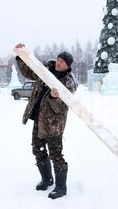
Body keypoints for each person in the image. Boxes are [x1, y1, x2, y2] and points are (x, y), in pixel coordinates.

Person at [15, 43, 78, 199]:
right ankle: (46, 179)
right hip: (39, 120)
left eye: (62, 61)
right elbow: (28, 71)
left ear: (67, 66)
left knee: (56, 155)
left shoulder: (68, 83)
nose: (58, 62)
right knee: (38, 150)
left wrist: (54, 97)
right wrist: (21, 56)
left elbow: (61, 108)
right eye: (58, 59)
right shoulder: (45, 71)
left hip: (54, 125)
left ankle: (61, 187)